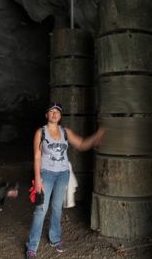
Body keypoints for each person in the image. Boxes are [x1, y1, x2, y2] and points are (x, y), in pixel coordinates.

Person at [25, 102, 105, 259]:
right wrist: (38, 179)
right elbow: (37, 156)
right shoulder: (40, 132)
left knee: (57, 208)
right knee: (41, 210)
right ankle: (32, 247)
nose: (55, 114)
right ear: (46, 114)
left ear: (60, 116)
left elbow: (81, 144)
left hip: (62, 174)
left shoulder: (65, 132)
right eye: (52, 111)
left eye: (58, 112)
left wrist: (95, 137)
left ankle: (55, 239)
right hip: (46, 174)